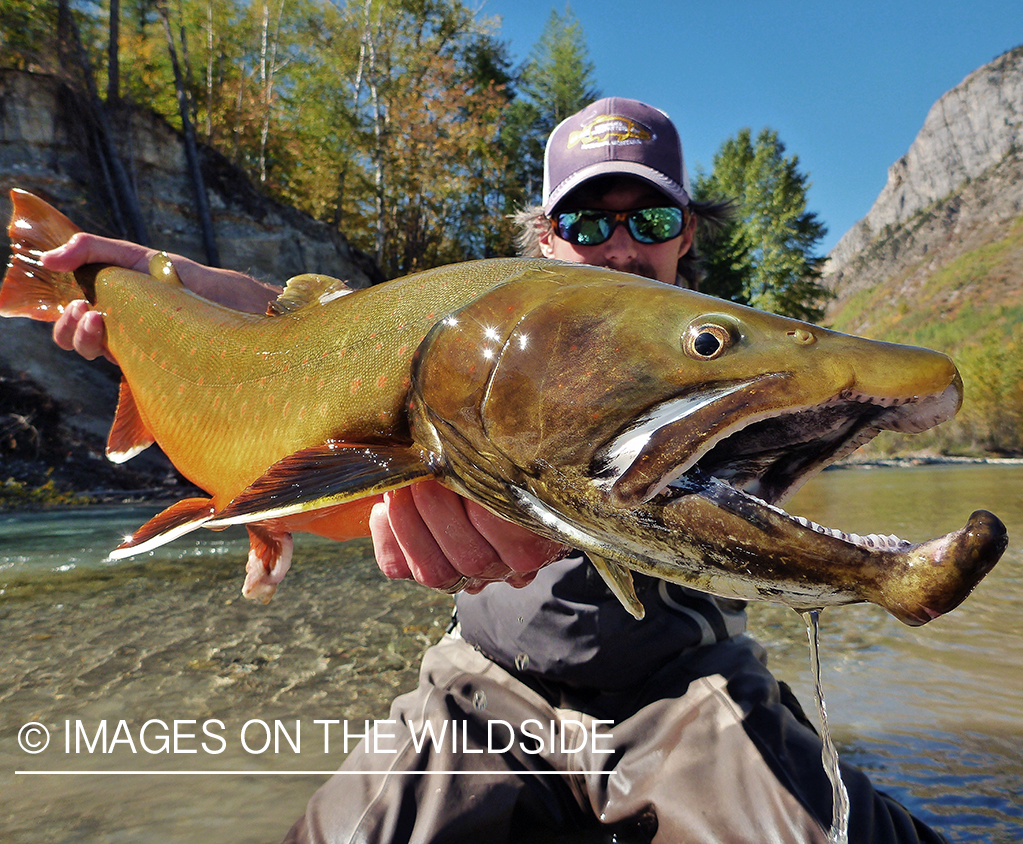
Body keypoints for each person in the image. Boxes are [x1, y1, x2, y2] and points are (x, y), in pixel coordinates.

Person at [49, 98, 949, 843]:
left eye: (652, 219)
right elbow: (330, 337)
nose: (621, 245)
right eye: (587, 220)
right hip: (482, 688)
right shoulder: (478, 331)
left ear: (687, 239)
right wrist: (160, 287)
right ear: (546, 240)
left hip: (687, 692)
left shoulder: (746, 372)